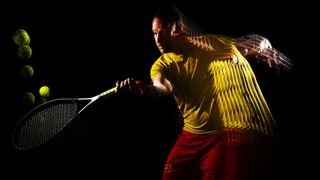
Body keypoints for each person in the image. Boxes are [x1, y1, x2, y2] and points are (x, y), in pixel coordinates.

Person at [115, 4, 291, 180]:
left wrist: (263, 45)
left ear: (177, 29)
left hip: (219, 138)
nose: (158, 39)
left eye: (163, 31)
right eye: (154, 33)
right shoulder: (162, 65)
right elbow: (162, 88)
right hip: (190, 136)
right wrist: (142, 90)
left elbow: (248, 45)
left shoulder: (209, 46)